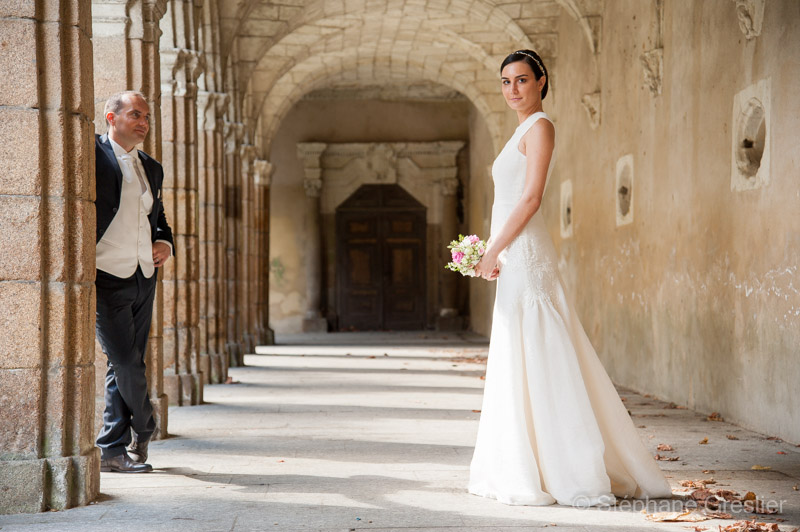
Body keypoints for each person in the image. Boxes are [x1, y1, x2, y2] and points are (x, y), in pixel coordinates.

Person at [469, 50, 672, 506]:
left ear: (542, 81)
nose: (513, 90)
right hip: (512, 250)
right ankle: (526, 461)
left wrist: (494, 248)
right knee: (516, 348)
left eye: (521, 80)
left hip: (525, 251)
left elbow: (531, 199)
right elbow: (508, 200)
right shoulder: (519, 131)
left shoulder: (541, 127)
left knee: (542, 349)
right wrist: (489, 248)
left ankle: (569, 466)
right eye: (505, 82)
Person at [95, 91, 174, 473]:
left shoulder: (151, 167)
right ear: (111, 117)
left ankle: (112, 449)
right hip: (106, 273)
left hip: (145, 274)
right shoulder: (92, 155)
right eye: (135, 115)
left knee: (124, 364)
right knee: (126, 361)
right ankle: (144, 425)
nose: (143, 122)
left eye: (146, 116)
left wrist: (165, 241)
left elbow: (158, 217)